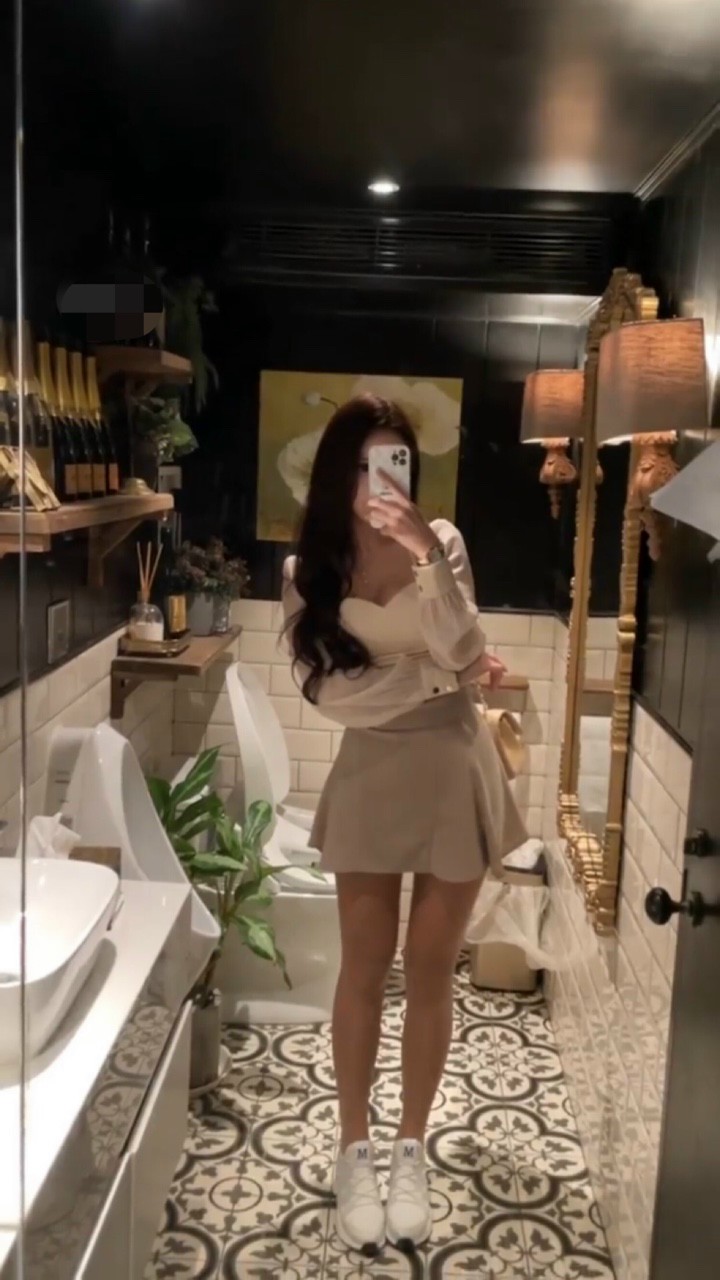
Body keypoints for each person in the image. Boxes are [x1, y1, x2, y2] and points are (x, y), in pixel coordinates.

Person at [281, 394, 527, 1256]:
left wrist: (426, 556)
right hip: (371, 774)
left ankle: (410, 1150)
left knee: (430, 972)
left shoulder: (444, 543)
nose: (376, 481)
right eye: (360, 464)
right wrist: (436, 680)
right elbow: (328, 695)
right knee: (362, 966)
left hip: (453, 770)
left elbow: (463, 648)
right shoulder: (308, 568)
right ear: (335, 472)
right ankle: (355, 1149)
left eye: (392, 463)